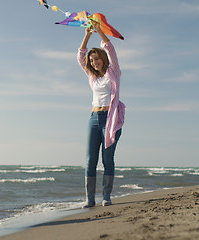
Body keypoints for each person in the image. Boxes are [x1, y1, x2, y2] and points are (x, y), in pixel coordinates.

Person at [77, 22, 125, 207]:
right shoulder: (92, 76)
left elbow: (110, 48)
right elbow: (81, 55)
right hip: (94, 119)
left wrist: (99, 32)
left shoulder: (114, 72)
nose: (94, 62)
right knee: (90, 160)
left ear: (103, 59)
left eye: (96, 59)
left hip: (110, 119)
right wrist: (87, 34)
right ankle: (89, 199)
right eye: (91, 60)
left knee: (107, 159)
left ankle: (106, 196)